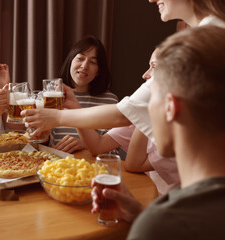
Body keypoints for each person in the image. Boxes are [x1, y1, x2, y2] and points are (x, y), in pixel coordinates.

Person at [21, 0, 225, 143]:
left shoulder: (203, 44)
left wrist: (56, 118)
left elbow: (123, 114)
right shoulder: (209, 35)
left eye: (92, 61)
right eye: (80, 59)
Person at [93, 25, 225, 239]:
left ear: (171, 107)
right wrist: (141, 214)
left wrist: (150, 223)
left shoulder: (163, 225)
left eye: (149, 99)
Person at [77, 48, 179, 195]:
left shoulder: (178, 126)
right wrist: (74, 106)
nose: (145, 75)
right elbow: (98, 146)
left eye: (154, 67)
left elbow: (133, 165)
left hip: (176, 205)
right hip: (151, 195)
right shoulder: (145, 113)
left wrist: (145, 112)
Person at [49, 36, 118, 153]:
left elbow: (113, 149)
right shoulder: (52, 96)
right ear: (71, 61)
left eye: (92, 62)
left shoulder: (110, 101)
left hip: (93, 168)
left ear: (98, 71)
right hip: (56, 165)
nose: (84, 66)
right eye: (80, 58)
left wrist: (85, 144)